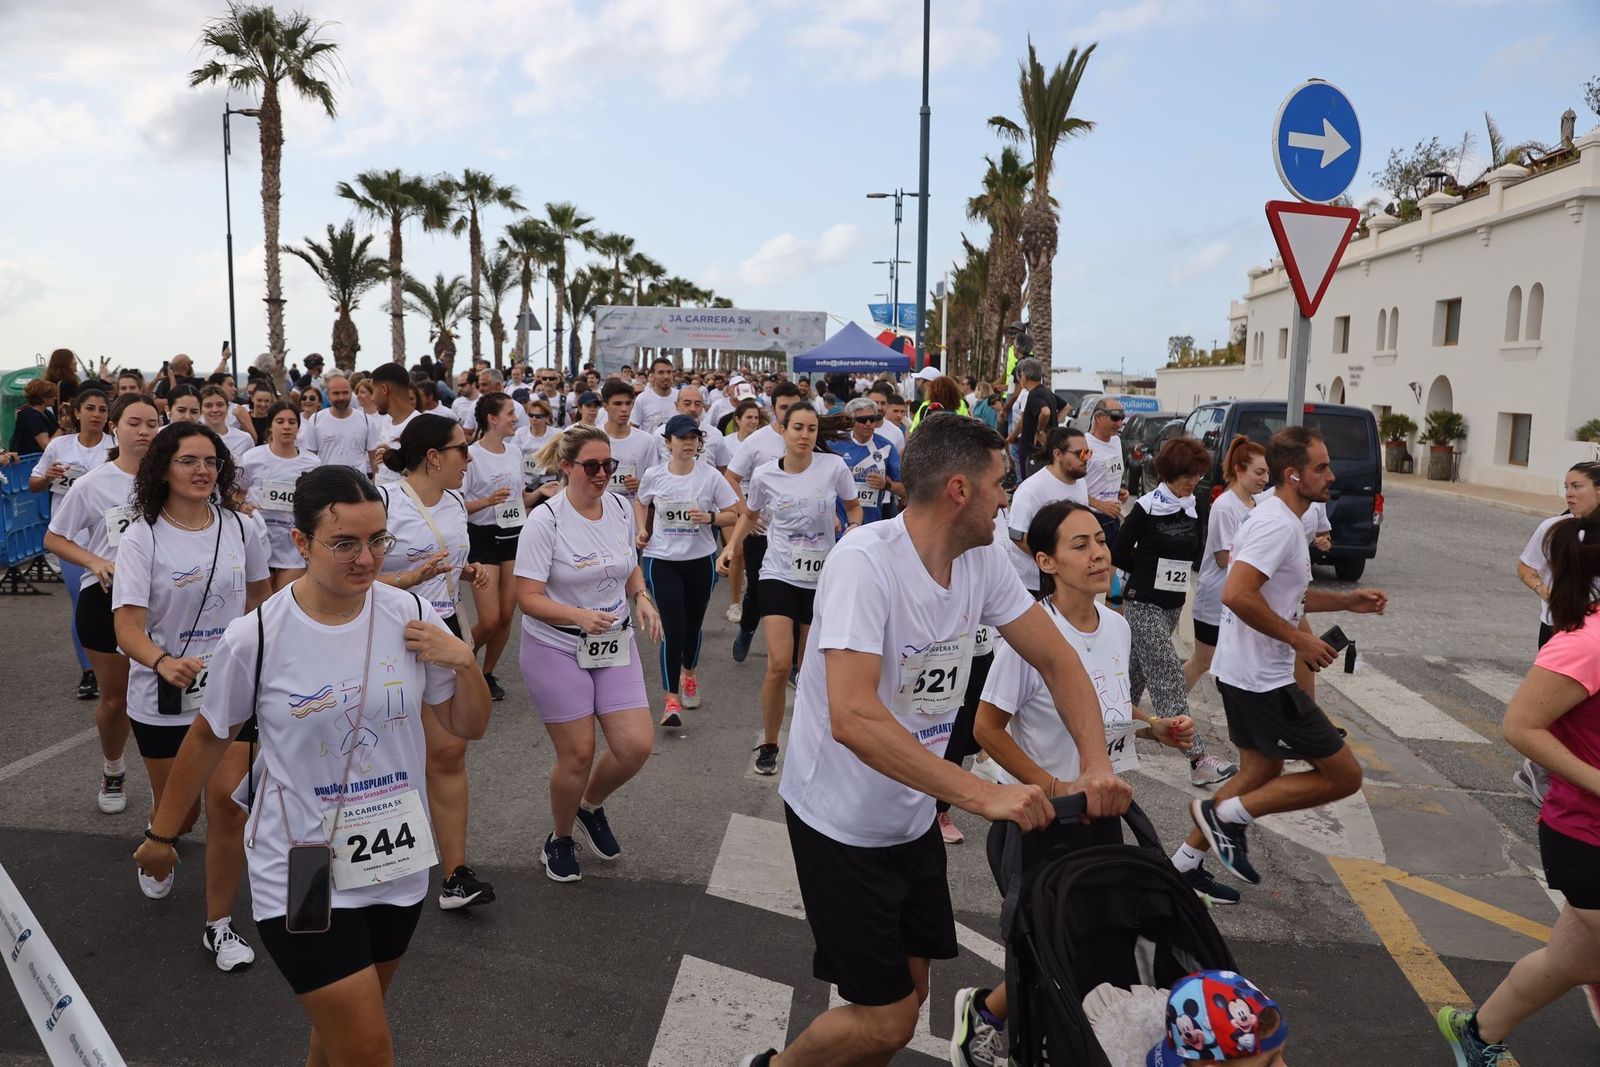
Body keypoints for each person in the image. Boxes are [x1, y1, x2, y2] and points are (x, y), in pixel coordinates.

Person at [740, 414, 1132, 1067]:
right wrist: (984, 794)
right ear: (959, 489)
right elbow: (855, 716)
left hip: (910, 812)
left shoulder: (981, 563)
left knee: (909, 997)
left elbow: (1060, 661)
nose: (1007, 497)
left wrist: (1096, 765)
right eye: (998, 483)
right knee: (889, 1019)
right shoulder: (865, 563)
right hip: (840, 820)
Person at [132, 465, 491, 1063]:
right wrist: (161, 835)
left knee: (341, 1036)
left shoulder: (407, 612)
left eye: (378, 540)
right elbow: (205, 740)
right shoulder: (258, 637)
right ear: (301, 543)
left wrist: (465, 662)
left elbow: (466, 726)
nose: (366, 558)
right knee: (370, 1049)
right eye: (345, 543)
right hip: (303, 866)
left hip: (396, 860)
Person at [954, 500, 1222, 1065]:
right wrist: (1051, 788)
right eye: (1080, 545)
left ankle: (1005, 1018)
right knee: (1047, 948)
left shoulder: (1117, 626)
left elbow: (1104, 710)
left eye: (1100, 541)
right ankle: (994, 1024)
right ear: (1045, 561)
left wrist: (1154, 729)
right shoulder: (1028, 637)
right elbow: (986, 729)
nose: (1099, 554)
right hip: (1036, 821)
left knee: (1093, 945)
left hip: (1104, 815)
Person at [1183, 427, 1388, 890]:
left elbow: (1284, 597)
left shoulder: (1280, 518)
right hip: (1262, 680)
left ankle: (1182, 865)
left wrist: (1346, 601)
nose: (1331, 475)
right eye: (1321, 467)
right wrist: (1299, 643)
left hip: (1246, 673)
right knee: (1343, 776)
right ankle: (1226, 816)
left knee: (1262, 769)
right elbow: (1237, 594)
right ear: (1294, 475)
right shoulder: (1277, 524)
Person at [1437, 508, 1600, 1066]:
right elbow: (1520, 726)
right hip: (1587, 837)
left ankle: (1475, 1033)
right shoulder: (1584, 643)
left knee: (1571, 963)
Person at [111, 421, 270, 968]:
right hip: (162, 695)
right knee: (177, 814)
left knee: (227, 806)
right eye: (188, 461)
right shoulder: (142, 536)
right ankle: (163, 840)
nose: (203, 471)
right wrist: (162, 661)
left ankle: (219, 925)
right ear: (163, 468)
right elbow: (126, 628)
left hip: (230, 693)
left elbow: (259, 599)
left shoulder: (242, 529)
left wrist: (253, 657)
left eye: (211, 461)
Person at [515, 426, 663, 883]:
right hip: (555, 645)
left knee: (635, 746)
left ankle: (588, 806)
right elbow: (528, 596)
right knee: (578, 753)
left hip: (613, 641)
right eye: (592, 466)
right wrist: (578, 616)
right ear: (566, 467)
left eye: (609, 465)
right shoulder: (547, 520)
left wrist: (640, 596)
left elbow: (629, 565)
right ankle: (559, 838)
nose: (603, 474)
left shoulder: (619, 507)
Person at [376, 413, 498, 911]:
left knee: (449, 752)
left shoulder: (451, 502)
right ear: (433, 456)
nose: (469, 459)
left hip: (443, 627)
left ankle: (455, 875)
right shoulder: (381, 501)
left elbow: (440, 556)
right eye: (462, 450)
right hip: (389, 635)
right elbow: (343, 579)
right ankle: (375, 866)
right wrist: (406, 581)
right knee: (382, 754)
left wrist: (462, 572)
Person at [716, 406, 864, 776]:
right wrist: (731, 547)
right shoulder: (765, 474)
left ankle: (816, 742)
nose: (804, 435)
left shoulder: (833, 467)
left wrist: (853, 530)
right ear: (782, 431)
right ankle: (769, 742)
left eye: (811, 429)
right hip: (779, 572)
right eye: (797, 428)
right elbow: (750, 514)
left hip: (821, 578)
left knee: (810, 669)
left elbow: (854, 506)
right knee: (779, 664)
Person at [44, 394, 162, 816]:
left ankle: (161, 791)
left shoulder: (172, 479)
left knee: (159, 698)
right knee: (117, 698)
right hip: (107, 599)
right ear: (115, 427)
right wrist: (94, 560)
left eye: (152, 422)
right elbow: (54, 538)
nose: (144, 430)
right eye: (134, 422)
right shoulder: (95, 482)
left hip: (164, 602)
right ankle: (113, 768)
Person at [1113, 436, 1239, 787]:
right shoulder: (1148, 507)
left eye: (1198, 475)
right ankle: (1198, 758)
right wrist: (1147, 566)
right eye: (1188, 475)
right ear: (1170, 473)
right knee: (1168, 675)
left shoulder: (1194, 505)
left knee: (1132, 678)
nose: (1193, 481)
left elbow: (1194, 553)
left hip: (1172, 605)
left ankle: (1109, 738)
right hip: (1143, 602)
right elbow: (1119, 552)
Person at [637, 415, 740, 726]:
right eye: (681, 438)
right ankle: (670, 701)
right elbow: (641, 502)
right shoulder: (654, 475)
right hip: (661, 560)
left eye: (693, 438)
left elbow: (734, 514)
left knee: (693, 626)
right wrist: (642, 529)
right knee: (674, 627)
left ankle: (689, 674)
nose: (688, 443)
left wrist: (709, 518)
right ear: (668, 442)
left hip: (699, 560)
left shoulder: (709, 477)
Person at [1511, 460, 1600, 805]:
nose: (1569, 493)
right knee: (1553, 709)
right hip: (1561, 629)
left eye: (1577, 486)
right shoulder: (1555, 527)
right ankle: (1541, 773)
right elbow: (1524, 566)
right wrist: (1544, 591)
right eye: (1567, 487)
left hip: (1593, 632)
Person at [31, 388, 112, 700]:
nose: (96, 415)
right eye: (90, 408)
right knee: (83, 601)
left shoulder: (114, 447)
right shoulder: (59, 446)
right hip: (72, 540)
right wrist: (48, 476)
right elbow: (34, 484)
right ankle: (89, 671)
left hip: (111, 539)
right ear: (77, 413)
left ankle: (122, 664)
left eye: (102, 410)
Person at [725, 382, 803, 662]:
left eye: (794, 406)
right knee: (758, 590)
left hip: (798, 532)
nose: (790, 412)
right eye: (784, 407)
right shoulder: (756, 441)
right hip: (762, 530)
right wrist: (746, 510)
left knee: (797, 589)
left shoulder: (808, 435)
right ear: (773, 409)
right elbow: (731, 477)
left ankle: (793, 660)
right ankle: (747, 629)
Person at [463, 392, 533, 702]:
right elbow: (457, 505)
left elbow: (519, 498)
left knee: (506, 616)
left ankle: (485, 673)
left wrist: (540, 494)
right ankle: (460, 660)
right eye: (509, 413)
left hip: (514, 535)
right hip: (482, 537)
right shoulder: (470, 455)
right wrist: (488, 501)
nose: (515, 418)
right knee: (489, 619)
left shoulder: (516, 452)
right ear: (492, 419)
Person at [1186, 437, 1270, 693]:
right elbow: (1224, 559)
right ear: (1238, 470)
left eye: (1267, 472)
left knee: (1236, 664)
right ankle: (1169, 708)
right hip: (1215, 598)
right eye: (1259, 472)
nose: (1265, 478)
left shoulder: (1257, 504)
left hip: (1239, 598)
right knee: (1203, 661)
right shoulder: (1225, 505)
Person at [237, 402, 321, 591]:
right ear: (270, 425)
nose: (286, 426)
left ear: (298, 427)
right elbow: (235, 492)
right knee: (260, 606)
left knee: (283, 603)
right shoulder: (252, 457)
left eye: (292, 422)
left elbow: (317, 503)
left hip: (292, 547)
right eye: (280, 421)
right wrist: (243, 506)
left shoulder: (313, 463)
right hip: (258, 540)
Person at [1005, 426, 1090, 594]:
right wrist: (1054, 561)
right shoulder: (1031, 489)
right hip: (1032, 585)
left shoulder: (1081, 483)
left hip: (1067, 580)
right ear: (1058, 455)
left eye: (1088, 453)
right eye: (1080, 453)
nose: (1086, 458)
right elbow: (1016, 535)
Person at [828, 398, 903, 527]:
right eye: (862, 420)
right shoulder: (835, 445)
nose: (868, 423)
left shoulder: (886, 447)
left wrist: (886, 485)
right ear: (851, 421)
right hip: (841, 525)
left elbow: (905, 490)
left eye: (872, 419)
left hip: (872, 525)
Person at [299, 375, 378, 474]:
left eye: (345, 393)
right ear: (327, 395)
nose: (341, 397)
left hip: (357, 486)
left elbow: (374, 460)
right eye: (336, 393)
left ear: (351, 393)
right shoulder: (315, 420)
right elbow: (309, 459)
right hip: (326, 484)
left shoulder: (366, 421)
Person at [598, 381, 658, 502]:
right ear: (605, 406)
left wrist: (641, 485)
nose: (624, 409)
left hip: (634, 513)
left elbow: (655, 482)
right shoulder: (592, 438)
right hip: (600, 512)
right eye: (618, 404)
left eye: (628, 403)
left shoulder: (646, 440)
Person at [1083, 396, 1130, 542]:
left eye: (1122, 418)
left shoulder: (1116, 441)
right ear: (1098, 417)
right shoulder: (1085, 444)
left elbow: (1108, 473)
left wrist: (1118, 490)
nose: (1120, 423)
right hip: (1092, 516)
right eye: (1115, 417)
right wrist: (1100, 505)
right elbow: (1071, 486)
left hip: (1113, 517)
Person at [370, 362, 420, 485]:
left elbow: (428, 476)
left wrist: (398, 463)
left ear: (384, 389)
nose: (372, 398)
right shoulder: (385, 421)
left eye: (373, 391)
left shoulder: (419, 425)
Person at [199, 385, 257, 461]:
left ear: (227, 407)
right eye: (208, 406)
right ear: (200, 409)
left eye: (220, 405)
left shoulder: (245, 439)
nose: (215, 410)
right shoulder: (193, 439)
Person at [630, 357, 679, 434]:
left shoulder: (680, 396)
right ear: (653, 376)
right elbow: (633, 428)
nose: (666, 376)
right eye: (661, 372)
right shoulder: (642, 399)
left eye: (669, 372)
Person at [10, 377, 59, 453]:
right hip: (31, 461)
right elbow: (46, 446)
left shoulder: (45, 412)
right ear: (43, 398)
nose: (55, 398)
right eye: (52, 395)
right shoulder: (32, 416)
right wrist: (62, 428)